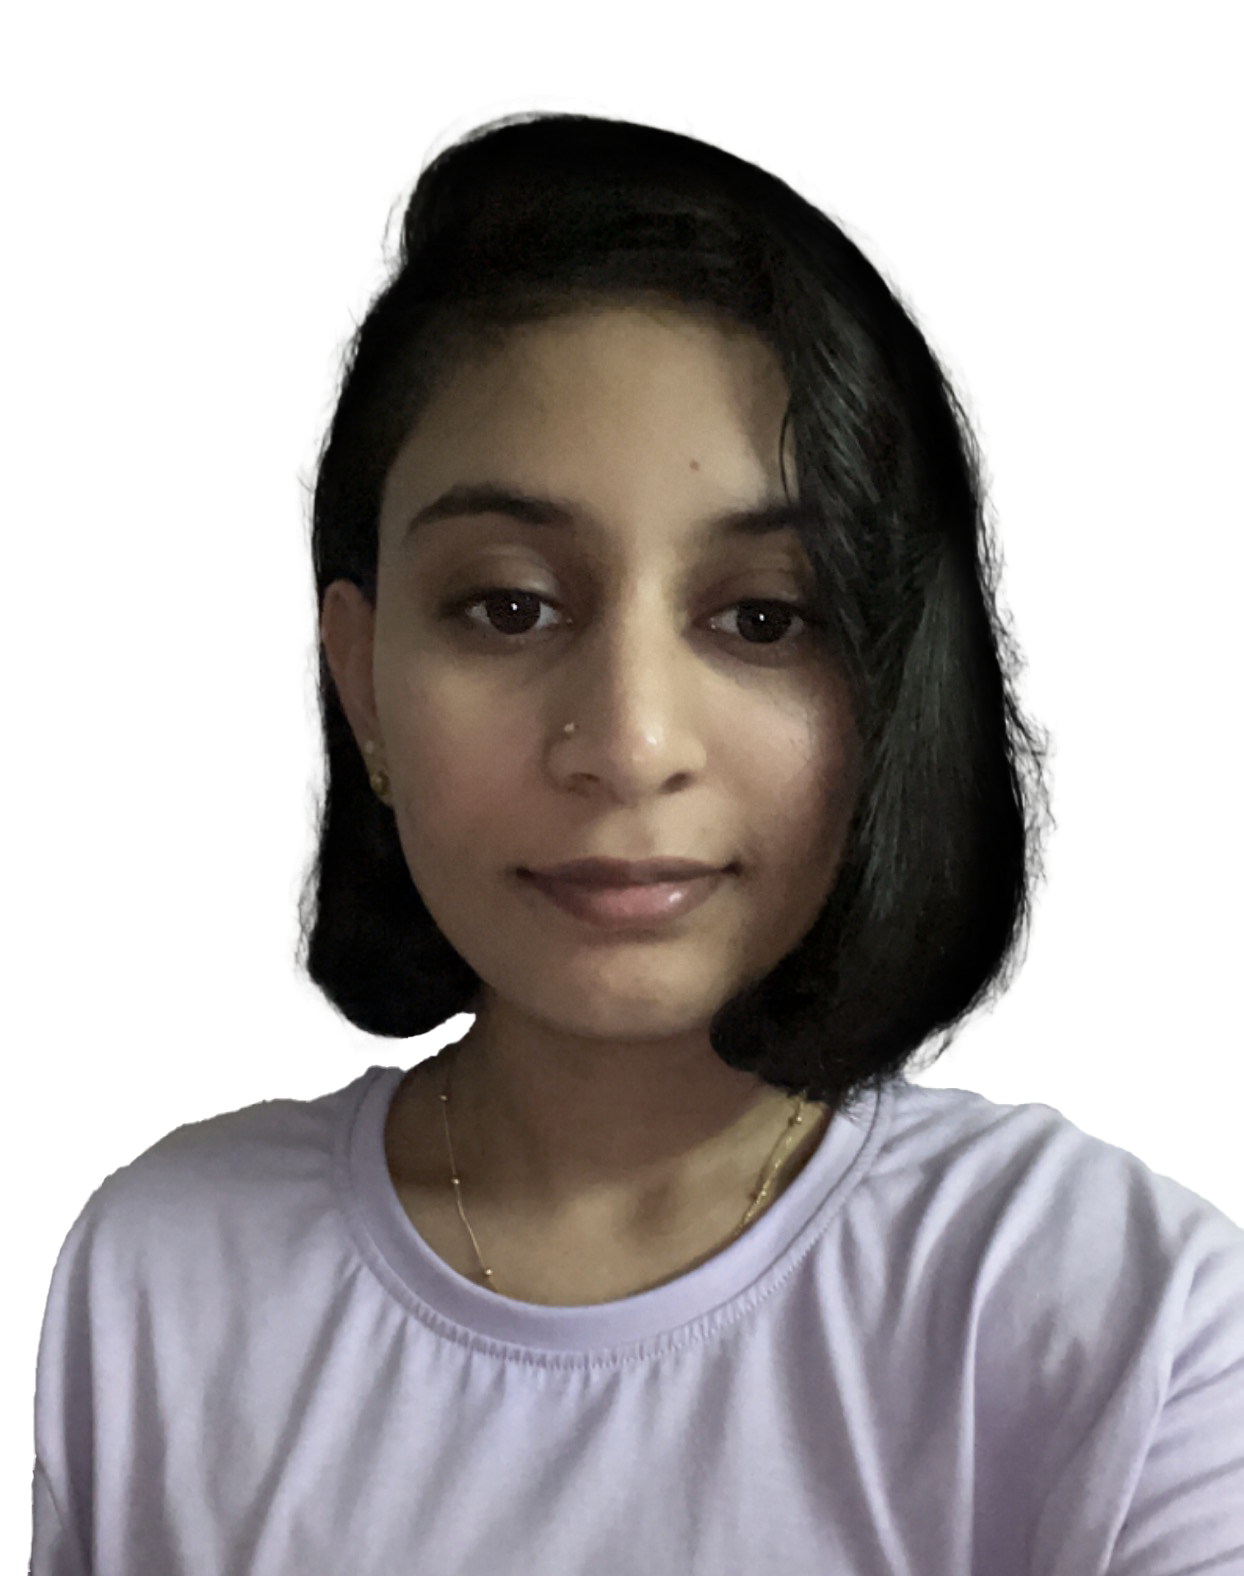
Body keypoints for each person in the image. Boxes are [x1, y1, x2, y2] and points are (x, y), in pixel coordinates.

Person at [28, 100, 1244, 1574]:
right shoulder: (140, 1297)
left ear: (892, 693)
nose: (628, 741)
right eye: (508, 605)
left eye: (763, 617)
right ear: (362, 684)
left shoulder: (1119, 1324)